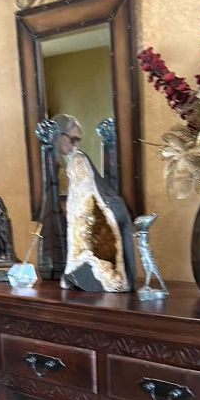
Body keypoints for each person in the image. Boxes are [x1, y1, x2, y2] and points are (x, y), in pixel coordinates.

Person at [51, 114, 136, 292]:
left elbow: (84, 197)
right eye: (72, 139)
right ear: (59, 135)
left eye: (78, 140)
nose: (75, 145)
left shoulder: (78, 160)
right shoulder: (59, 161)